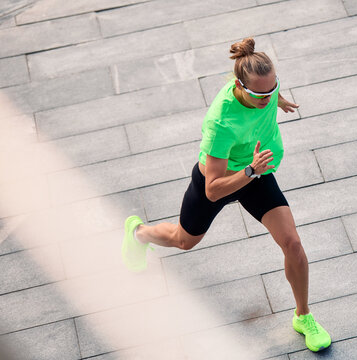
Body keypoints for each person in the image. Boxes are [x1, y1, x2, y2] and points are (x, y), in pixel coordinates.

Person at [121, 37, 331, 352]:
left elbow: (268, 90)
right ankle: (139, 233)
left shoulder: (265, 90)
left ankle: (303, 316)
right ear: (239, 86)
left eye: (273, 89)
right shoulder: (221, 122)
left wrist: (280, 99)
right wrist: (249, 171)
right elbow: (212, 187)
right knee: (184, 241)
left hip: (257, 172)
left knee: (294, 245)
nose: (267, 97)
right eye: (261, 94)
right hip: (227, 176)